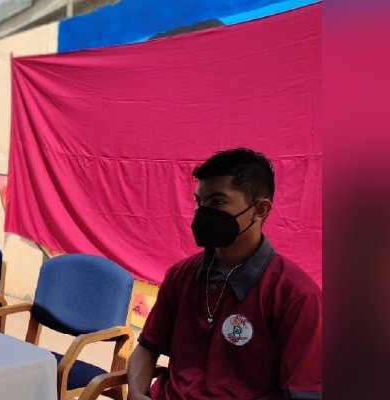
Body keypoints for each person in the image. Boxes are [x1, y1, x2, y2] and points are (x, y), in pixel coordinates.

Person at [127, 148, 322, 400]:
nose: (202, 212)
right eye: (199, 202)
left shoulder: (296, 296)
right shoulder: (180, 276)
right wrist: (135, 392)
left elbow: (303, 393)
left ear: (260, 209)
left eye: (217, 202)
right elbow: (147, 347)